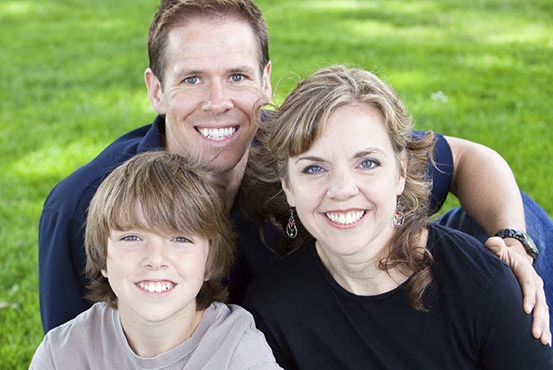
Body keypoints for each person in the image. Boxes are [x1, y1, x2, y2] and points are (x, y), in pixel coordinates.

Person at [37, 0, 553, 344]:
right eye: (192, 79)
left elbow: (467, 158)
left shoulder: (301, 146)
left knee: (516, 225)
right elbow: (78, 344)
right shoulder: (86, 205)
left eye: (237, 76)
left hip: (355, 307)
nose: (219, 103)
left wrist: (513, 239)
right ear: (156, 88)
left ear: (264, 82)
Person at [240, 65, 553, 368]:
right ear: (288, 186)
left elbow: (470, 158)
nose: (342, 189)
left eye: (367, 163)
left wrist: (516, 243)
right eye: (314, 168)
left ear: (401, 172)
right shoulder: (271, 312)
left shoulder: (481, 285)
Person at [31, 151, 282, 370]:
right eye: (132, 237)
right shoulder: (63, 353)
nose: (156, 259)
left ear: (209, 261)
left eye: (181, 239)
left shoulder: (237, 350)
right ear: (103, 257)